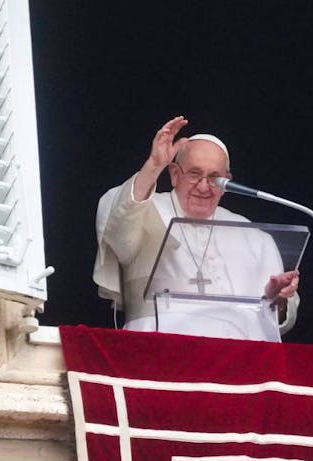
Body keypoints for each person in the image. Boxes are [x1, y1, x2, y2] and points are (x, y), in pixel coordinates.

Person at [93, 116, 300, 339]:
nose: (203, 186)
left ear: (227, 183)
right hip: (159, 347)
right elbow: (117, 224)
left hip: (239, 356)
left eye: (215, 178)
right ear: (173, 174)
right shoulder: (144, 207)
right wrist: (153, 166)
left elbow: (280, 321)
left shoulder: (254, 236)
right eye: (194, 173)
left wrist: (276, 300)